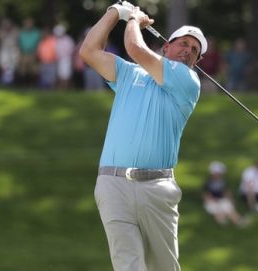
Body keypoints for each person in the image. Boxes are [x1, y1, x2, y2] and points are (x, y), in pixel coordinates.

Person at [79, 2, 208, 271]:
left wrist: (134, 20)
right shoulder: (129, 73)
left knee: (164, 268)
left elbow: (136, 49)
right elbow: (89, 51)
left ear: (196, 62)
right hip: (112, 184)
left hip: (156, 188)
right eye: (183, 43)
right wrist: (114, 12)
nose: (188, 50)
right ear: (166, 47)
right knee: (128, 266)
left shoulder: (188, 82)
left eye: (194, 50)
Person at [202, 161, 246, 226]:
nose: (219, 175)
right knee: (218, 212)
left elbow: (226, 191)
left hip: (222, 200)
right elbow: (206, 194)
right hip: (212, 201)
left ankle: (239, 222)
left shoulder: (223, 182)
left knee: (231, 210)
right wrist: (212, 201)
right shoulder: (208, 182)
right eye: (217, 173)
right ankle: (223, 223)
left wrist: (231, 199)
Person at [0, 18, 20, 85]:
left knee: (12, 66)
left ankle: (10, 81)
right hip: (4, 50)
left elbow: (17, 38)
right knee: (4, 65)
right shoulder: (1, 31)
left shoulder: (15, 31)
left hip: (13, 49)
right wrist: (4, 32)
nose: (6, 26)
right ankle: (4, 80)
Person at [17, 17, 41, 86]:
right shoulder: (21, 32)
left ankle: (33, 85)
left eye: (30, 23)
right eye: (27, 23)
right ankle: (23, 85)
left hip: (33, 53)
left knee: (34, 71)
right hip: (23, 53)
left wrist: (36, 53)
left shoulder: (37, 33)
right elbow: (18, 43)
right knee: (23, 71)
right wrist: (20, 53)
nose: (28, 25)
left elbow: (39, 43)